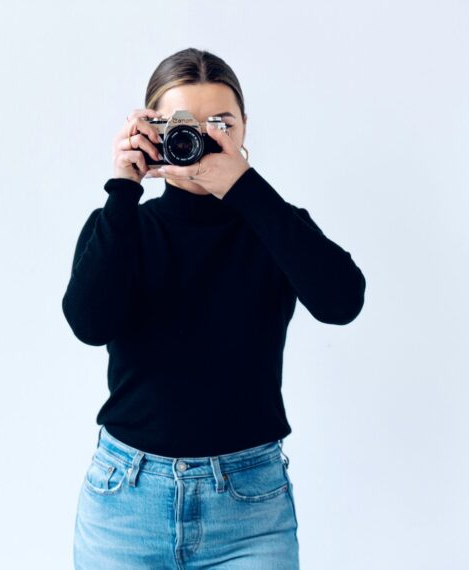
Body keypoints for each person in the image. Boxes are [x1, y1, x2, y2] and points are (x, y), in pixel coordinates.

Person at [62, 47, 366, 569]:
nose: (198, 136)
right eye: (180, 124)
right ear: (149, 128)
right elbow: (90, 324)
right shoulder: (123, 227)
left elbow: (342, 303)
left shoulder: (276, 228)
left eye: (219, 123)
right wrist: (124, 187)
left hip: (249, 509)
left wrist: (243, 187)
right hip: (125, 503)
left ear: (244, 128)